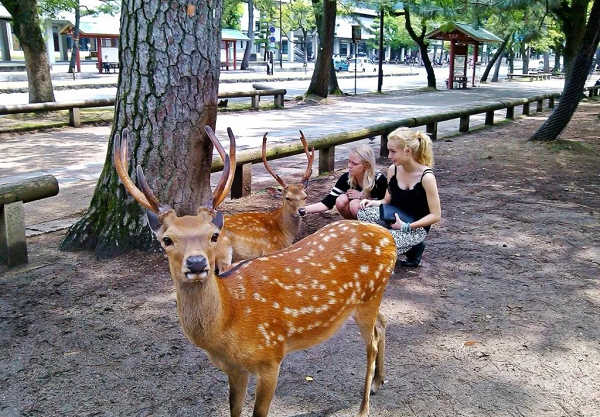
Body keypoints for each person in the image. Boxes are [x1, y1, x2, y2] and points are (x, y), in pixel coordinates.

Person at [358, 128, 441, 267]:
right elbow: (386, 201)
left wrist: (406, 226)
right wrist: (371, 203)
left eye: (393, 151)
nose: (389, 156)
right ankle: (395, 240)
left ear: (407, 151)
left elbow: (435, 215)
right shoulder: (393, 170)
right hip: (394, 218)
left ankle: (414, 246)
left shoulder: (426, 177)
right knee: (363, 213)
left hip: (415, 226)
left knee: (380, 246)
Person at [305, 144, 387, 219]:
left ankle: (365, 229)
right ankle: (353, 225)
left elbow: (387, 204)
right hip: (359, 214)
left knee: (354, 204)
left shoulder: (379, 179)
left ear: (366, 165)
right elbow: (327, 203)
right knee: (341, 199)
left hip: (378, 217)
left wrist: (362, 196)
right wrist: (303, 210)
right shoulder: (346, 178)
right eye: (349, 161)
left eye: (354, 164)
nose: (349, 166)